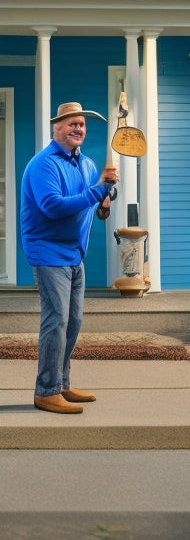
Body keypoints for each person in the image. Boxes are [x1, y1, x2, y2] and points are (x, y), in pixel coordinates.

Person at [20, 102, 118, 414]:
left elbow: (95, 202)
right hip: (48, 252)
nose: (78, 129)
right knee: (56, 320)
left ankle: (61, 383)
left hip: (75, 254)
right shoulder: (43, 164)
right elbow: (52, 206)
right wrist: (97, 191)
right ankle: (46, 391)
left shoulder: (86, 165)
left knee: (73, 321)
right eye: (72, 124)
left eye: (82, 125)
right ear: (57, 128)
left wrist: (106, 197)